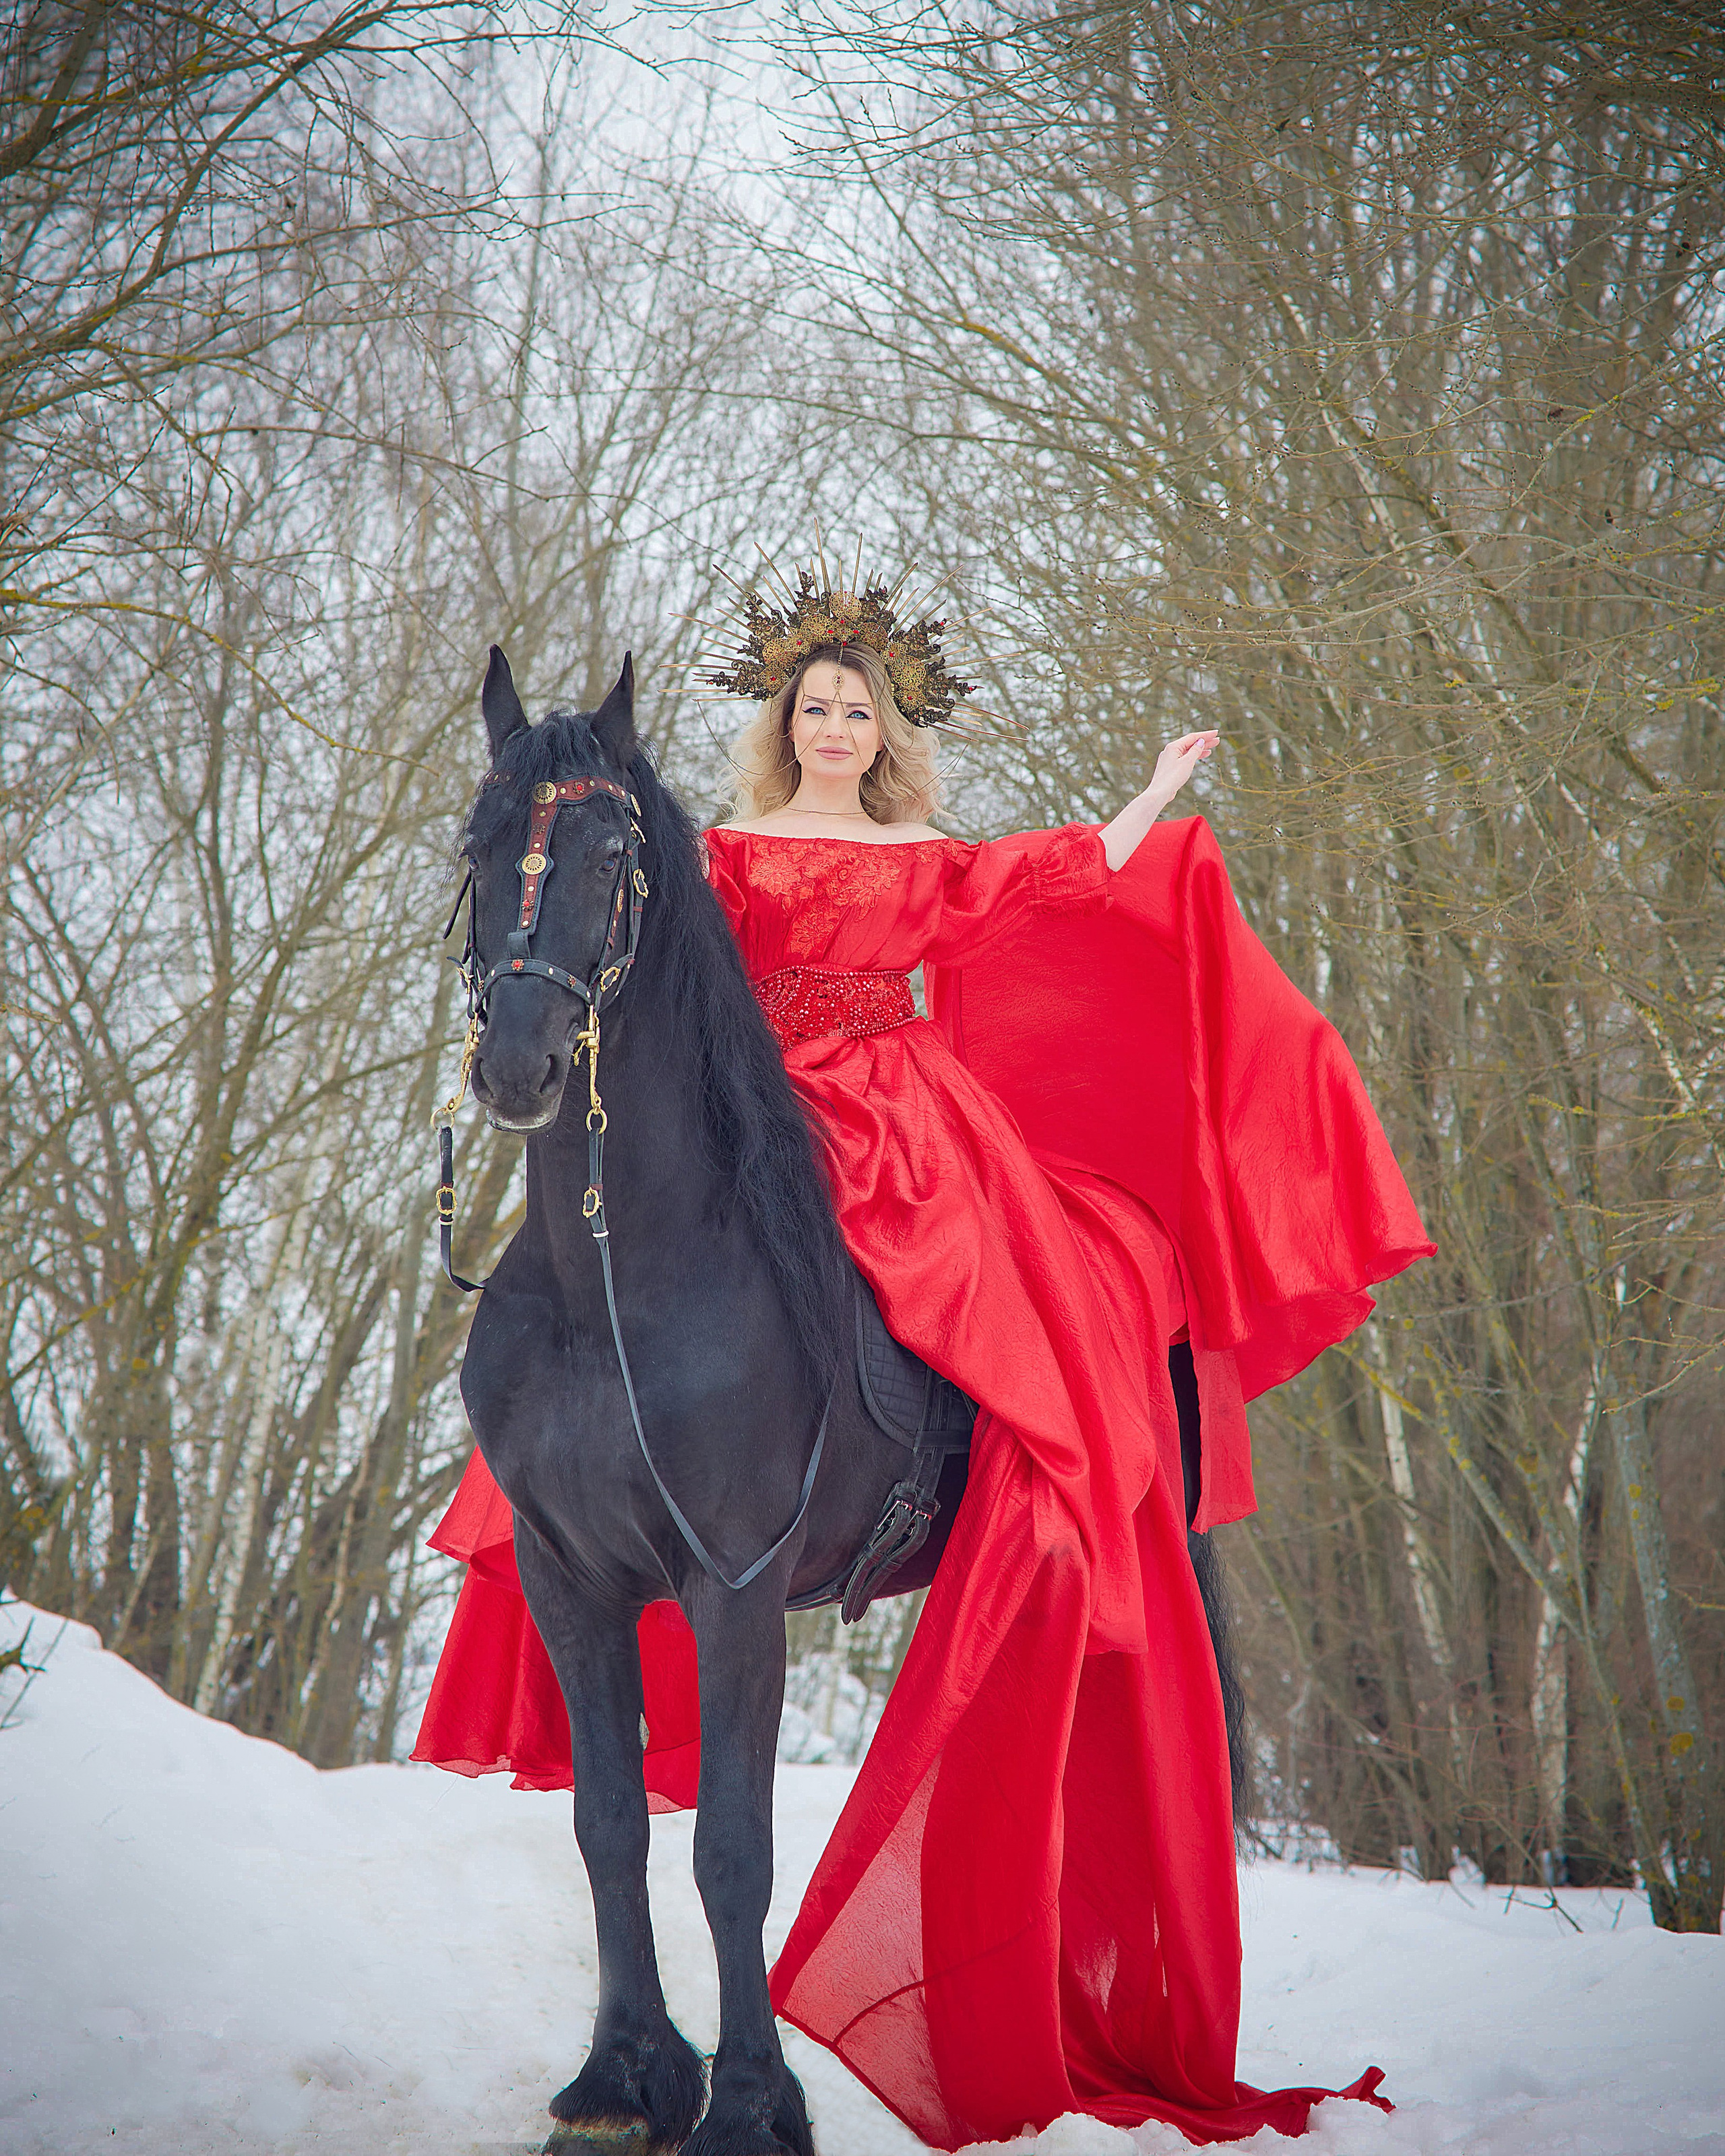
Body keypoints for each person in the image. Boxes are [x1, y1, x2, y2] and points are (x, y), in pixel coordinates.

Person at [415, 569, 1433, 2147]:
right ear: (784, 725)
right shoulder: (721, 851)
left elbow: (1049, 881)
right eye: (812, 707)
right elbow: (629, 950)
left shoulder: (918, 855)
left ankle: (987, 1469)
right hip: (750, 1098)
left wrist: (1147, 799)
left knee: (995, 1281)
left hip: (890, 1114)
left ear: (882, 736)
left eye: (855, 712)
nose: (832, 728)